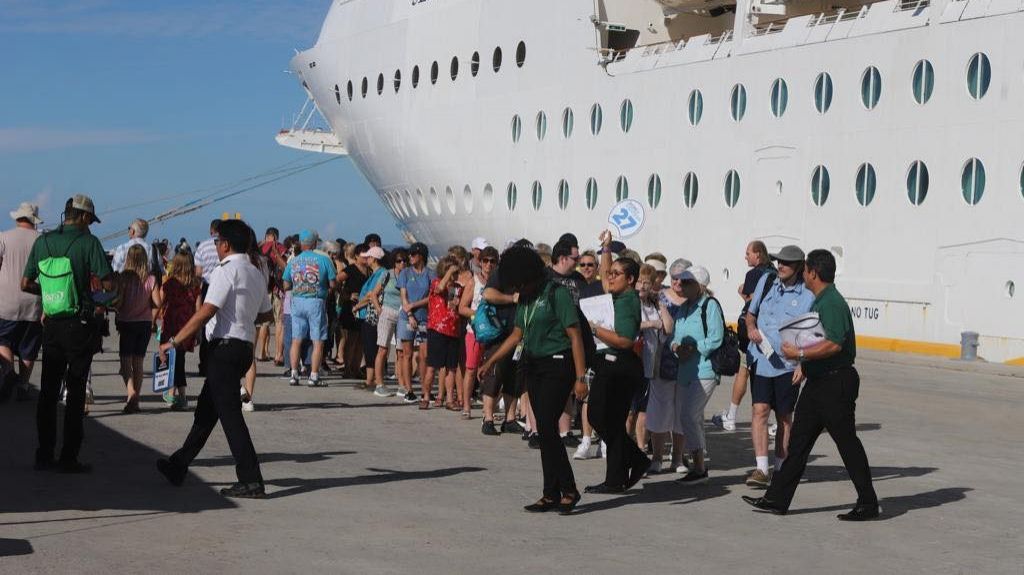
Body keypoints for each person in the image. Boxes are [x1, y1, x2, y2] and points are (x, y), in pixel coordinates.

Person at [744, 250, 880, 520]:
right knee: (798, 444)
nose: (803, 274)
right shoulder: (821, 300)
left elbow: (834, 343)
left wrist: (800, 356)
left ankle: (868, 502)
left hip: (835, 383)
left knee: (847, 444)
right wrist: (805, 365)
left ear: (813, 273)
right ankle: (776, 499)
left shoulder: (831, 302)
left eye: (805, 270)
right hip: (818, 382)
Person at [156, 219, 273, 499]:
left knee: (230, 416)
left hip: (225, 348)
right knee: (207, 412)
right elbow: (267, 314)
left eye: (218, 242)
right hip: (243, 347)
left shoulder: (227, 270)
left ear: (226, 245)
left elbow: (207, 310)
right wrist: (242, 314)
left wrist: (174, 341)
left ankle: (251, 479)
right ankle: (179, 464)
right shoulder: (255, 271)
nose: (216, 246)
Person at [477, 246, 587, 514]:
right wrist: (490, 361)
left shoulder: (556, 293)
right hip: (534, 366)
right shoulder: (526, 298)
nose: (518, 287)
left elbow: (575, 336)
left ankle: (569, 489)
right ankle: (550, 494)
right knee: (544, 431)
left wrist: (581, 377)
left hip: (559, 365)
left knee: (548, 426)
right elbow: (516, 335)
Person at [22, 195, 113, 473]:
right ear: (84, 217)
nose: (91, 226)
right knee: (74, 392)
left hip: (51, 326)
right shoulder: (89, 243)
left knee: (48, 392)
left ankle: (43, 454)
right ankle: (69, 457)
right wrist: (99, 302)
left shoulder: (43, 241)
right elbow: (108, 285)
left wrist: (51, 295)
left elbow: (25, 283)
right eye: (90, 220)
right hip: (80, 324)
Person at [742, 245, 814, 487]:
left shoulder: (808, 296)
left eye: (787, 263)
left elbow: (812, 336)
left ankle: (781, 468)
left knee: (784, 417)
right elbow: (750, 316)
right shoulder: (766, 281)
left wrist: (803, 365)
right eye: (779, 261)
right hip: (761, 360)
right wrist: (751, 329)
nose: (780, 266)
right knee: (759, 410)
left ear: (798, 267)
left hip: (787, 365)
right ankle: (761, 469)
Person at [583, 231, 648, 494]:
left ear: (630, 280)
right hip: (610, 364)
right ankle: (617, 475)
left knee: (601, 415)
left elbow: (624, 339)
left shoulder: (629, 300)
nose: (609, 276)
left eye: (617, 274)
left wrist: (594, 329)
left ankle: (631, 462)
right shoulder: (617, 294)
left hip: (620, 365)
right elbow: (606, 274)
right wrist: (606, 248)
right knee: (606, 418)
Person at [670, 265, 724, 486]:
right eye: (681, 281)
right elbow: (674, 337)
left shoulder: (709, 306)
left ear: (701, 286)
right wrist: (676, 348)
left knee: (688, 415)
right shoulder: (683, 308)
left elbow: (716, 337)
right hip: (685, 370)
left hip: (704, 369)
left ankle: (699, 466)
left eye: (687, 282)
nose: (681, 285)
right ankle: (699, 467)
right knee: (695, 418)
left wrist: (693, 348)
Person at [713, 240, 775, 432]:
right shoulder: (774, 273)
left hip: (751, 331)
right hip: (770, 330)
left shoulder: (753, 274)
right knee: (770, 374)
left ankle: (731, 416)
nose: (745, 256)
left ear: (758, 254)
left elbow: (751, 302)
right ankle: (776, 421)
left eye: (748, 253)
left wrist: (743, 293)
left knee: (743, 370)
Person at [645, 258, 693, 474]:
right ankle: (656, 457)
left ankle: (678, 457)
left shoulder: (697, 300)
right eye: (674, 278)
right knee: (659, 410)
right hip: (662, 360)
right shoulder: (660, 297)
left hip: (688, 363)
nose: (677, 283)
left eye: (681, 279)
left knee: (682, 411)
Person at [0, 202, 43, 403]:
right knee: (29, 346)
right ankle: (24, 386)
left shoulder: (4, 237)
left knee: (3, 340)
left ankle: (8, 371)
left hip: (6, 300)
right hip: (35, 300)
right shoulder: (42, 240)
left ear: (18, 218)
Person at [283, 230, 336, 387]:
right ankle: (313, 375)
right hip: (315, 301)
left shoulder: (294, 261)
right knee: (317, 341)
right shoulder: (324, 260)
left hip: (297, 300)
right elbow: (333, 283)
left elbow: (286, 284)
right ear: (314, 243)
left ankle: (294, 373)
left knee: (296, 339)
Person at [114, 244, 161, 413]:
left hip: (126, 322)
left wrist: (116, 308)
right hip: (144, 324)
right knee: (138, 362)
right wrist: (152, 319)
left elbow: (118, 302)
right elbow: (157, 303)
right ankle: (136, 399)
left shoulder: (123, 278)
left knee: (125, 361)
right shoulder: (151, 279)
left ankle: (130, 393)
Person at [159, 249, 202, 411]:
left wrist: (154, 320)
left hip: (171, 326)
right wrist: (197, 332)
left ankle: (173, 393)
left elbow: (161, 303)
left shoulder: (170, 283)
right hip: (187, 327)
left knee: (171, 361)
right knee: (180, 361)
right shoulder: (196, 284)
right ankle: (180, 396)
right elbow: (198, 310)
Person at [458, 245, 497, 419]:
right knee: (471, 369)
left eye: (492, 261)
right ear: (480, 262)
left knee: (491, 370)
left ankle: (488, 408)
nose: (489, 264)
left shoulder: (498, 282)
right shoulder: (474, 281)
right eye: (486, 261)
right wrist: (478, 315)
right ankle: (466, 405)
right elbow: (462, 308)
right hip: (474, 332)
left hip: (493, 333)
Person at [421, 255, 464, 410]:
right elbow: (439, 289)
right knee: (432, 366)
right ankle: (425, 396)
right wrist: (449, 272)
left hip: (452, 330)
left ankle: (449, 399)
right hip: (437, 329)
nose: (454, 275)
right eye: (451, 271)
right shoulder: (436, 283)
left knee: (451, 367)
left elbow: (454, 306)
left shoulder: (457, 287)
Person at [398, 242, 434, 399]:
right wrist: (411, 313)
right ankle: (409, 390)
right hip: (407, 317)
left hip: (425, 317)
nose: (410, 257)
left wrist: (415, 305)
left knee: (425, 355)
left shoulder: (430, 274)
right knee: (407, 353)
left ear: (422, 256)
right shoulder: (405, 273)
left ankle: (426, 390)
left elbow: (432, 297)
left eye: (413, 254)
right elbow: (403, 296)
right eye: (410, 254)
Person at [374, 248, 412, 401]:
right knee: (383, 349)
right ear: (393, 262)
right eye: (398, 260)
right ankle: (379, 384)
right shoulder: (387, 274)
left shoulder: (409, 275)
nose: (402, 263)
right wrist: (379, 310)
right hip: (388, 311)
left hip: (403, 313)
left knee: (401, 351)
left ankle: (402, 384)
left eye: (404, 260)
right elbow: (374, 294)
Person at [353, 246, 389, 395]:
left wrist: (357, 306)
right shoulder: (375, 273)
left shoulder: (380, 273)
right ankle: (370, 378)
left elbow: (370, 295)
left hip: (372, 315)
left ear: (374, 259)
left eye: (368, 257)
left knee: (371, 347)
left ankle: (371, 379)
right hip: (367, 314)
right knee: (369, 346)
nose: (366, 259)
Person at [338, 243, 370, 381]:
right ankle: (347, 369)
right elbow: (336, 280)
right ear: (356, 255)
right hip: (351, 307)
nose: (366, 256)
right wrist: (346, 295)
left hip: (364, 308)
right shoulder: (351, 269)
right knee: (351, 340)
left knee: (361, 340)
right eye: (363, 254)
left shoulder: (369, 271)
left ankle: (356, 368)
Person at [256, 227, 287, 364]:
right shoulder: (280, 248)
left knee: (264, 323)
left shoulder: (260, 248)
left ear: (266, 235)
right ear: (276, 236)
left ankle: (262, 352)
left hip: (264, 289)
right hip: (278, 290)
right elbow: (285, 266)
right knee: (280, 322)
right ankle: (278, 354)